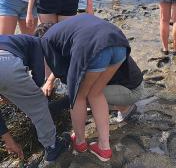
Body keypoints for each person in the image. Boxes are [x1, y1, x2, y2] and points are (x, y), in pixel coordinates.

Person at [37, 14, 131, 162]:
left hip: (93, 47)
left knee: (78, 95)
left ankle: (80, 142)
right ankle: (104, 148)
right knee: (95, 93)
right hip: (119, 42)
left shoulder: (44, 40)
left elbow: (61, 70)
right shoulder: (70, 26)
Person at [0, 35, 69, 162]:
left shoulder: (13, 40)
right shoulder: (36, 42)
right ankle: (53, 146)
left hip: (5, 62)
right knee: (38, 104)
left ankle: (12, 143)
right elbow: (38, 72)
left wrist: (8, 141)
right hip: (5, 63)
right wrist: (37, 93)